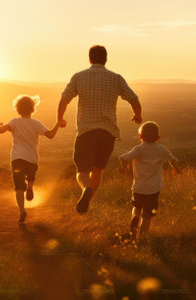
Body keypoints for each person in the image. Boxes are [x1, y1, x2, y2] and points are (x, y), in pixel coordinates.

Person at [57, 45, 142, 214]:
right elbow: (134, 98)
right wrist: (137, 114)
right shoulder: (116, 78)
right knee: (98, 170)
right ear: (106, 59)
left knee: (82, 172)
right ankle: (87, 204)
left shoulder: (79, 77)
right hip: (107, 133)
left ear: (90, 59)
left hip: (86, 131)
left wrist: (60, 118)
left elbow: (64, 99)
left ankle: (85, 190)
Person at [0, 95, 60, 223]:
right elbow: (51, 135)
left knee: (19, 187)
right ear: (32, 109)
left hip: (17, 158)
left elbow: (1, 131)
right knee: (30, 177)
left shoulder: (14, 122)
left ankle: (22, 211)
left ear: (18, 109)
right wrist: (58, 124)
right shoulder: (36, 124)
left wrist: (0, 126)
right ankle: (30, 186)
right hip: (32, 158)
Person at [119, 121, 181, 240]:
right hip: (153, 189)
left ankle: (134, 219)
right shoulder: (161, 149)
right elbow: (173, 160)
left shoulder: (138, 149)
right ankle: (142, 237)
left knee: (137, 208)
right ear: (158, 138)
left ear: (140, 136)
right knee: (147, 215)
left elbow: (123, 158)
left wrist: (124, 167)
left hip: (139, 187)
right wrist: (176, 170)